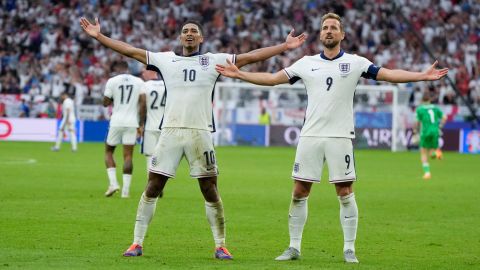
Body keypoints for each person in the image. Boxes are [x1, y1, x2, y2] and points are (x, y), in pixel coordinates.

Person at [215, 12, 448, 263]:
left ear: (342, 34)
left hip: (340, 136)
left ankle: (349, 248)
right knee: (299, 190)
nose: (328, 31)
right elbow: (273, 79)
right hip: (310, 136)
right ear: (320, 33)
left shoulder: (357, 63)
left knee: (345, 191)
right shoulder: (305, 63)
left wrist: (421, 76)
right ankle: (293, 247)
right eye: (325, 27)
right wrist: (240, 75)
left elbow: (389, 74)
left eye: (334, 28)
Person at [80, 17, 306, 260]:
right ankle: (136, 242)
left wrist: (284, 47)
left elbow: (250, 56)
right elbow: (130, 50)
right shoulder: (166, 60)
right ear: (180, 37)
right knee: (153, 186)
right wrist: (99, 37)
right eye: (185, 31)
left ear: (201, 39)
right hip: (170, 132)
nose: (189, 34)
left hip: (200, 133)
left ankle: (220, 245)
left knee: (209, 189)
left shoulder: (214, 61)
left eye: (193, 31)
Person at [103, 60, 146, 199]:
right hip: (132, 122)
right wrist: (141, 123)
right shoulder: (139, 81)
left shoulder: (112, 81)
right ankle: (125, 192)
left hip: (116, 121)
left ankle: (114, 183)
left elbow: (105, 103)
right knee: (128, 156)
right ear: (127, 69)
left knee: (109, 151)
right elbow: (143, 103)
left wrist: (113, 98)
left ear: (116, 68)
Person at [414, 92, 446, 180]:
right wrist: (440, 126)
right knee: (432, 152)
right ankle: (437, 153)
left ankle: (427, 173)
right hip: (435, 131)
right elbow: (444, 117)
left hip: (425, 132)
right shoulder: (435, 108)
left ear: (421, 100)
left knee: (423, 152)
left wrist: (415, 131)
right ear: (430, 100)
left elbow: (416, 122)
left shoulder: (420, 109)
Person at [140, 68, 165, 175]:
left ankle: (151, 185)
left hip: (150, 126)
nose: (142, 74)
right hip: (165, 127)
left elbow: (142, 105)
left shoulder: (145, 86)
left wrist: (140, 123)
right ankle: (160, 184)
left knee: (150, 156)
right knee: (163, 157)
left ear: (151, 71)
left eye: (144, 71)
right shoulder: (166, 85)